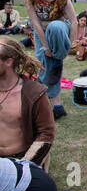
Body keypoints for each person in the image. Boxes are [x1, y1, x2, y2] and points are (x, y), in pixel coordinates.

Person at [19, 0, 78, 120]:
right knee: (47, 67)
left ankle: (57, 60)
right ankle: (57, 107)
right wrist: (46, 47)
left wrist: (68, 47)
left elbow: (74, 22)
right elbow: (35, 22)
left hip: (60, 30)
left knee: (55, 27)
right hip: (41, 33)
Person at [0, 36, 55, 173]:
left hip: (20, 159)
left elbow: (46, 135)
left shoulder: (34, 93)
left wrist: (24, 166)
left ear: (8, 62)